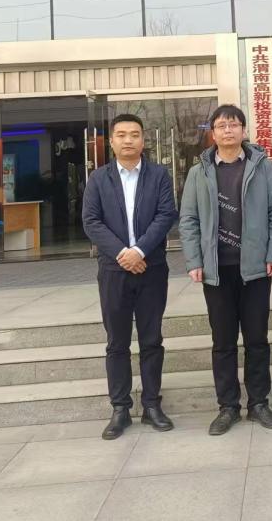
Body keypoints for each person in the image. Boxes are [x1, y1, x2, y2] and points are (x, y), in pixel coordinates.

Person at [178, 105, 272, 436]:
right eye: (221, 125)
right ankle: (227, 406)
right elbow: (189, 220)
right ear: (213, 133)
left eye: (234, 124)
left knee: (257, 339)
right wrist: (194, 260)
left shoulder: (262, 167)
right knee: (223, 341)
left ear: (244, 130)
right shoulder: (199, 172)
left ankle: (259, 403)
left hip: (254, 269)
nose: (228, 130)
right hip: (217, 271)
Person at [82, 113, 178, 439]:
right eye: (121, 134)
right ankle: (120, 409)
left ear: (143, 140)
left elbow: (166, 215)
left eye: (134, 134)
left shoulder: (159, 175)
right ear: (111, 141)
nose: (128, 140)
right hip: (114, 271)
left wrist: (139, 251)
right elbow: (91, 221)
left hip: (152, 269)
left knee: (151, 339)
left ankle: (152, 405)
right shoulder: (98, 179)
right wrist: (123, 253)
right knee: (117, 342)